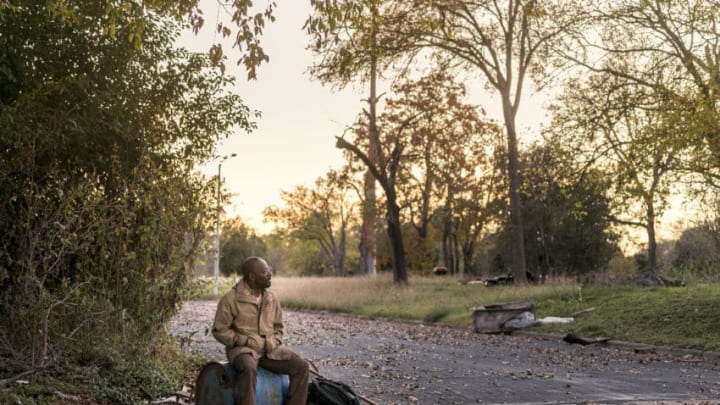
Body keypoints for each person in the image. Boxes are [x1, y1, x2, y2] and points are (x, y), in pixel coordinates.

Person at [212, 256, 309, 405]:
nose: (270, 274)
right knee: (249, 368)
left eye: (269, 271)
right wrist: (245, 341)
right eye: (265, 272)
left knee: (301, 367)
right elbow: (219, 330)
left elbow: (279, 327)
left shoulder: (271, 297)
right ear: (252, 276)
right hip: (243, 350)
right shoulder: (230, 299)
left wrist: (274, 341)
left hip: (270, 351)